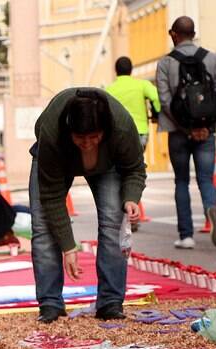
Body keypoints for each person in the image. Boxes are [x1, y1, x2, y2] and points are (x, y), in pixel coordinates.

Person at [31, 88, 146, 323]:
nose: (86, 144)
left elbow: (134, 168)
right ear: (69, 131)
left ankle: (110, 302)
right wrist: (68, 247)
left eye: (93, 137)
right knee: (42, 226)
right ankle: (50, 304)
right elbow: (51, 196)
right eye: (80, 138)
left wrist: (131, 197)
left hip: (108, 164)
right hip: (56, 159)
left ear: (105, 131)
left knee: (113, 220)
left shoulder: (122, 126)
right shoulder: (52, 131)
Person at [156, 16, 216, 250]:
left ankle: (186, 236)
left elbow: (165, 100)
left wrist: (185, 128)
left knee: (181, 181)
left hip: (178, 132)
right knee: (205, 178)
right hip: (207, 131)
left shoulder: (165, 63)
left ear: (174, 34)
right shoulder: (212, 58)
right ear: (194, 33)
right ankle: (211, 207)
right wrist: (205, 127)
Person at [106, 56, 161, 151]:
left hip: (118, 133)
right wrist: (157, 113)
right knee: (137, 162)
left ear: (116, 70)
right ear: (131, 69)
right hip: (140, 131)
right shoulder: (142, 85)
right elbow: (156, 97)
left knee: (121, 162)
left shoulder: (109, 90)